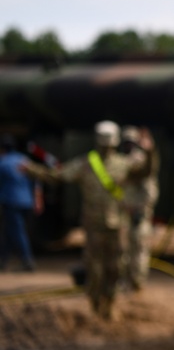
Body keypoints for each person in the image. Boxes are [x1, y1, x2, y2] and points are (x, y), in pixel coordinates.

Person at [23, 121, 152, 319]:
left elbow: (145, 171)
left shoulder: (122, 164)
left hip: (117, 225)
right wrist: (33, 170)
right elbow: (58, 175)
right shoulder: (87, 163)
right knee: (95, 268)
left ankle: (108, 304)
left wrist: (150, 153)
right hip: (94, 225)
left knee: (115, 267)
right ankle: (96, 305)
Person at [120, 125, 159, 289]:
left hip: (139, 211)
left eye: (132, 142)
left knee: (139, 249)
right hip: (126, 211)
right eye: (126, 142)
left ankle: (136, 284)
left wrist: (150, 151)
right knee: (124, 250)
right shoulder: (122, 159)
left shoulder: (140, 158)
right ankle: (127, 282)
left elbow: (148, 170)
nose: (129, 145)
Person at [0, 135, 42, 272]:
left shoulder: (3, 162)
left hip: (11, 202)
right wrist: (38, 200)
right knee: (10, 231)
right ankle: (3, 260)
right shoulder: (25, 161)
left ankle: (27, 260)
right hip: (27, 201)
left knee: (17, 231)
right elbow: (36, 182)